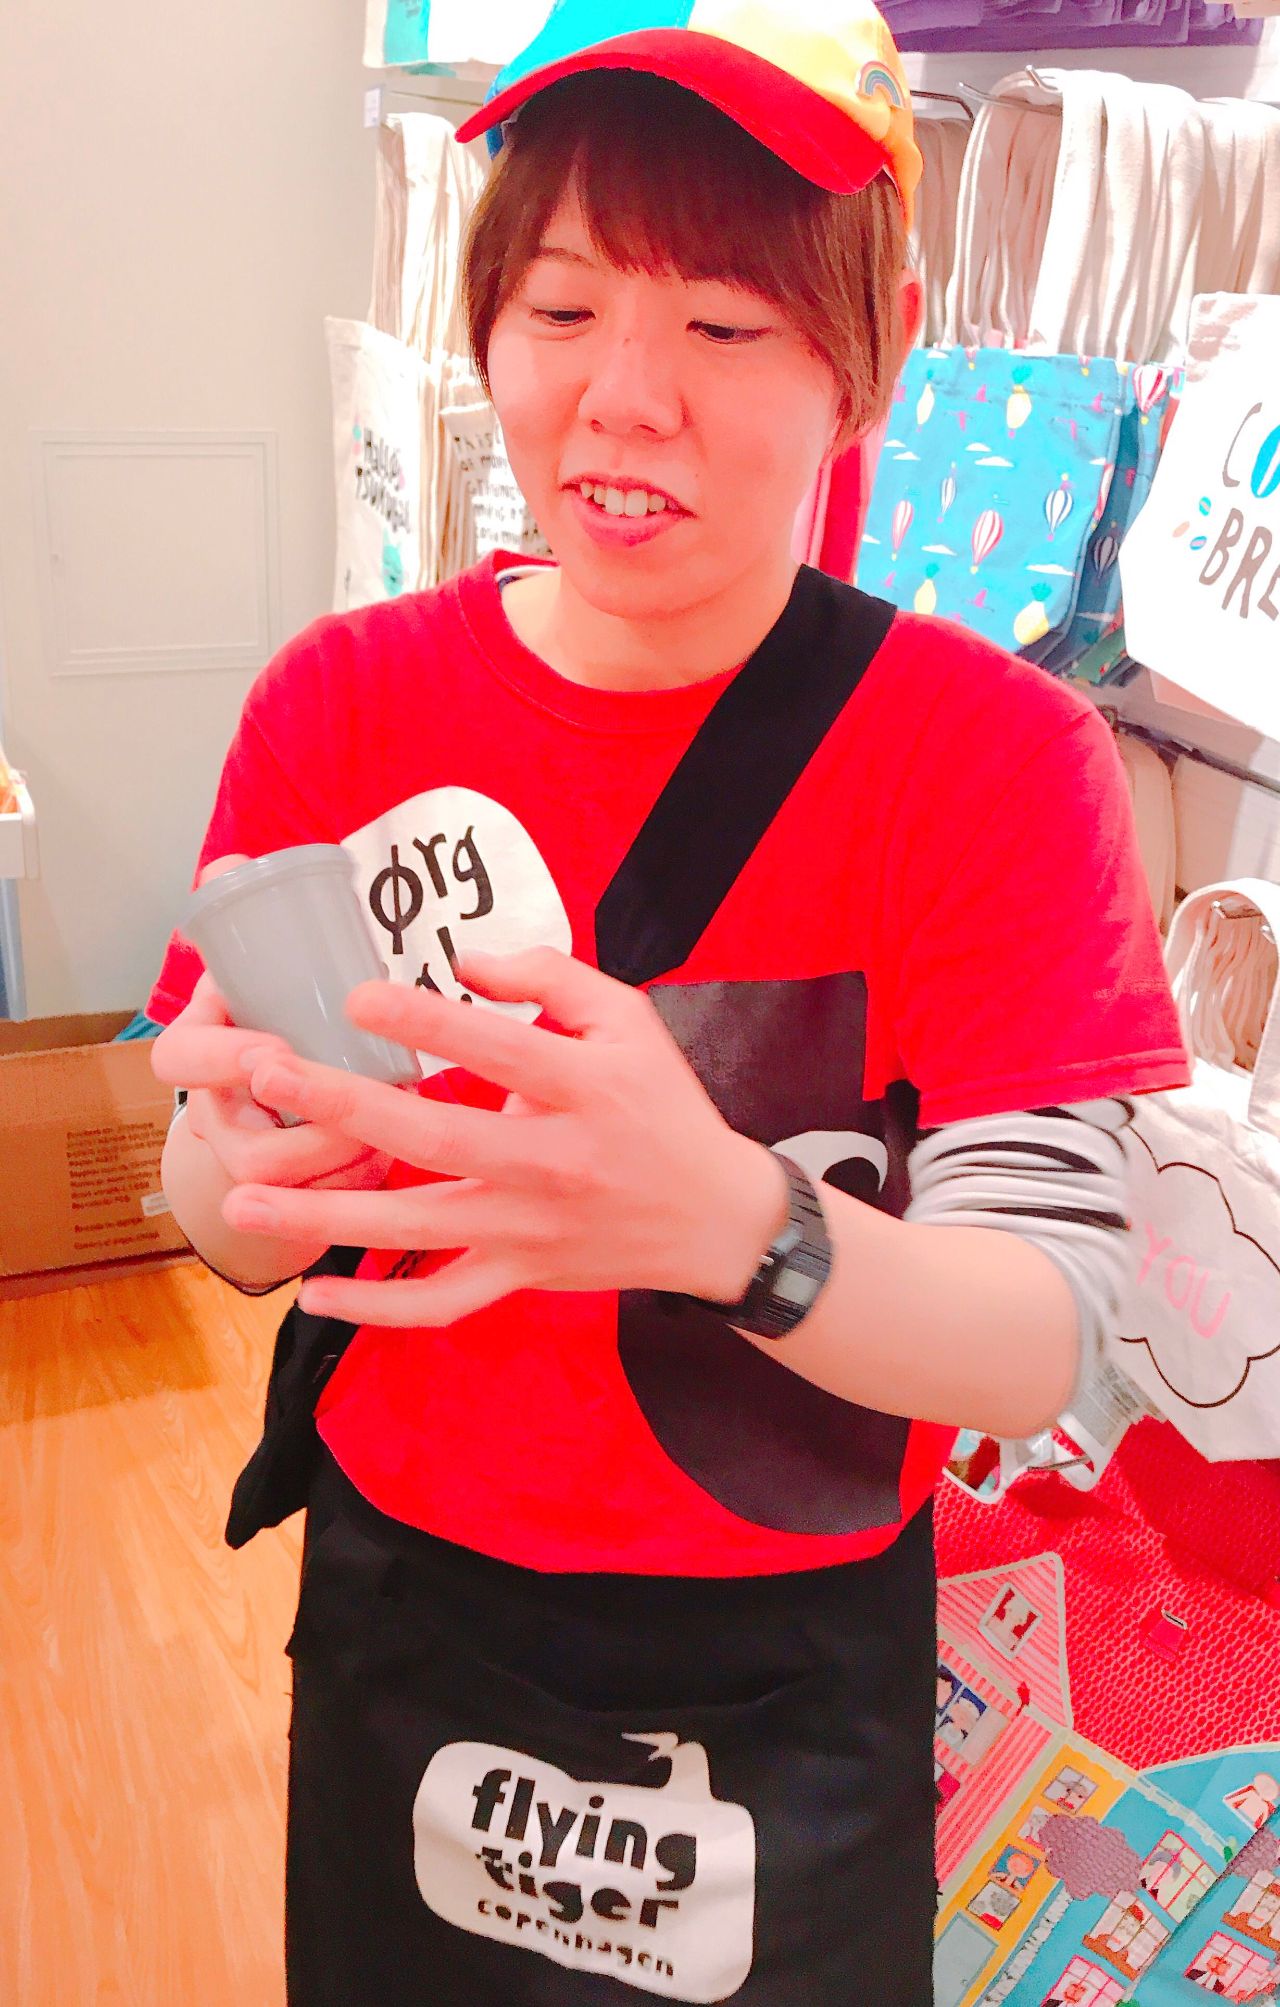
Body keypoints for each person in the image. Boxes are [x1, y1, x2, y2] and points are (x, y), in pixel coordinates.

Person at [148, 3, 1188, 2000]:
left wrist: (730, 1222)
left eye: (722, 322)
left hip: (786, 1672)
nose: (623, 399)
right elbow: (223, 1225)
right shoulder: (342, 705)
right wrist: (244, 1151)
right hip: (406, 1617)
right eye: (560, 307)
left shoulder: (995, 761)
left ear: (871, 345)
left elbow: (1038, 1337)